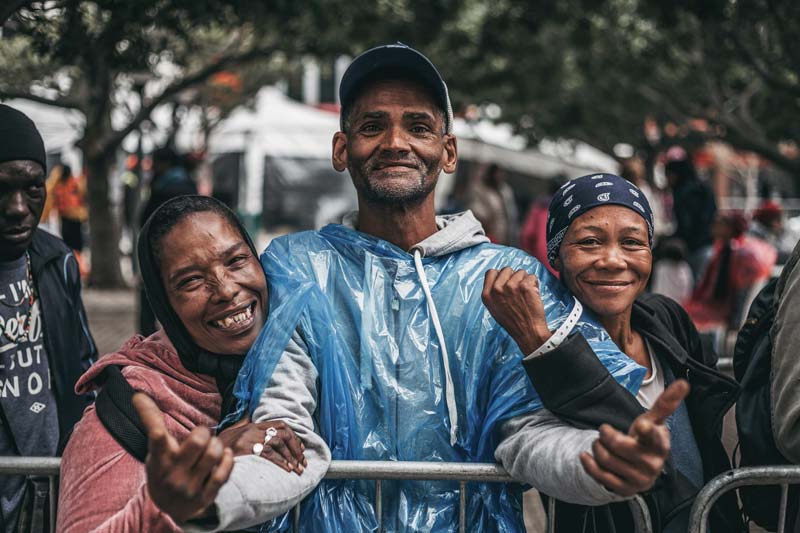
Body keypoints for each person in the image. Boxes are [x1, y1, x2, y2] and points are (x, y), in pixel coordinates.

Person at [210, 44, 684, 532]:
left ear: (448, 151)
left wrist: (599, 464)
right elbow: (283, 432)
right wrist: (218, 496)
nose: (396, 142)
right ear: (341, 148)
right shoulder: (299, 268)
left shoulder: (506, 280)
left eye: (418, 127)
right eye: (372, 126)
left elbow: (527, 434)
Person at [482, 172, 741, 532]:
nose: (613, 260)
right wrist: (545, 347)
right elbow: (536, 448)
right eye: (589, 242)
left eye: (633, 242)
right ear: (556, 254)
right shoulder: (538, 343)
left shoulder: (667, 320)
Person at [57, 196, 330, 531]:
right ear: (163, 305)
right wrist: (171, 503)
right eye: (191, 281)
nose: (226, 290)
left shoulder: (310, 366)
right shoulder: (125, 413)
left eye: (236, 261)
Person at [0, 104, 97, 532]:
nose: (18, 208)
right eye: (1, 189)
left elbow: (83, 367)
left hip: (48, 492)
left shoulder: (57, 261)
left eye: (33, 188)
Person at [137, 146, 197, 336]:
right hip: (188, 248)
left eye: (155, 162)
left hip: (163, 249)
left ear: (164, 163)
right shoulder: (188, 183)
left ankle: (148, 338)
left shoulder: (164, 186)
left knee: (149, 293)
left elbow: (147, 218)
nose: (153, 166)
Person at [684, 212, 776, 331]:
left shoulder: (733, 252)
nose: (713, 225)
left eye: (719, 222)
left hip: (723, 310)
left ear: (729, 228)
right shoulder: (724, 248)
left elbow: (727, 290)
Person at [664, 149, 717, 281]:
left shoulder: (684, 193)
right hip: (707, 244)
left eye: (669, 175)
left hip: (695, 248)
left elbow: (688, 223)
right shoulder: (701, 187)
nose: (667, 180)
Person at [466, 163, 518, 245]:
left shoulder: (504, 191)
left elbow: (510, 214)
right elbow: (478, 213)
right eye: (498, 173)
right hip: (486, 236)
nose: (500, 176)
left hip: (502, 238)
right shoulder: (480, 190)